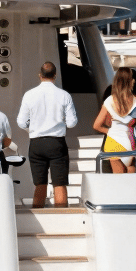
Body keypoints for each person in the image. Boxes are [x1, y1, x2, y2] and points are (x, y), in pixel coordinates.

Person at [17, 61, 78, 208]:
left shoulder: (29, 95)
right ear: (55, 76)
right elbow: (72, 123)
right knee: (60, 184)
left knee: (39, 184)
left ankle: (38, 220)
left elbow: (21, 122)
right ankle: (62, 220)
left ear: (40, 76)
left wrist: (31, 130)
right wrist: (61, 125)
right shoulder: (64, 95)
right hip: (57, 143)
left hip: (36, 143)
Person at [94, 67, 136, 174]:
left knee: (116, 178)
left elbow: (97, 125)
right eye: (131, 79)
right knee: (129, 176)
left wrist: (111, 132)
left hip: (111, 142)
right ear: (128, 81)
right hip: (129, 142)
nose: (134, 81)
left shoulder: (109, 99)